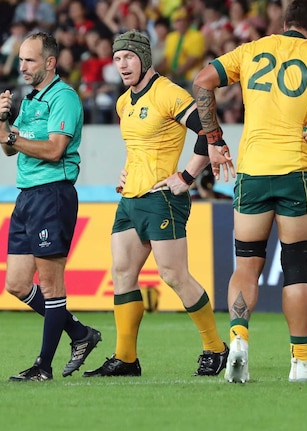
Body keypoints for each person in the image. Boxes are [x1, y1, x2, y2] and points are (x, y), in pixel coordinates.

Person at [192, 0, 307, 383]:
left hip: (254, 171)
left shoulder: (251, 49)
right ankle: (300, 363)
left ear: (285, 23)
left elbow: (202, 80)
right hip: (297, 171)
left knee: (246, 265)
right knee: (296, 267)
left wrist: (214, 138)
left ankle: (238, 340)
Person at [83, 30, 228, 378]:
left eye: (129, 57)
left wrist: (189, 176)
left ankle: (215, 349)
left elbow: (208, 128)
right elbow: (138, 148)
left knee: (173, 275)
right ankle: (126, 359)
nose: (122, 65)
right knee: (122, 274)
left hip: (163, 197)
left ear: (144, 58)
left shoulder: (168, 93)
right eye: (118, 59)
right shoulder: (123, 102)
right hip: (131, 198)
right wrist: (127, 171)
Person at [0, 31, 101, 382]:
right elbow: (8, 148)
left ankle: (42, 367)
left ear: (49, 62)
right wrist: (5, 121)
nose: (22, 66)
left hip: (53, 195)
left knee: (51, 284)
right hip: (27, 195)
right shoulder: (30, 100)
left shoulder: (64, 98)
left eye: (29, 60)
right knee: (16, 284)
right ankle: (79, 334)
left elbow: (54, 150)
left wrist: (9, 135)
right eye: (20, 60)